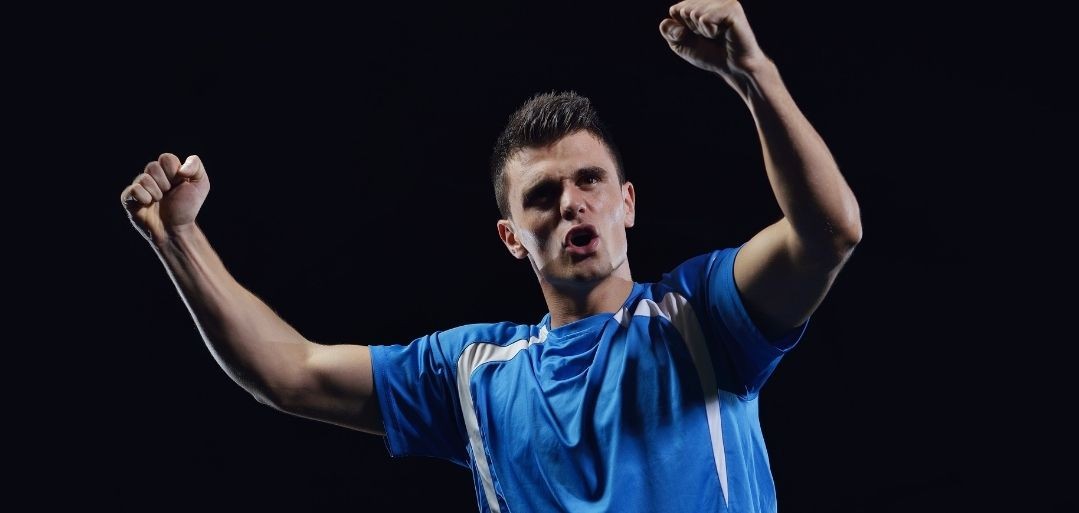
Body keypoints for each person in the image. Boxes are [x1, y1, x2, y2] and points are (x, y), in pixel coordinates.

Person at [119, 0, 861, 511]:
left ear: (626, 203)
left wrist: (752, 74)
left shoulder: (702, 318)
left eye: (590, 181)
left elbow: (829, 231)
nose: (571, 203)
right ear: (512, 237)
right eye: (542, 195)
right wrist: (177, 237)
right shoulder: (472, 374)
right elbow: (291, 373)